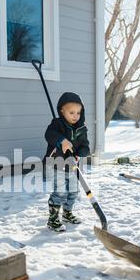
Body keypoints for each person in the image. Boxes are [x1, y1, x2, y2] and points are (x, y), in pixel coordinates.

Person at [44, 92, 90, 232]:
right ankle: (53, 220)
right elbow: (49, 135)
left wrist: (79, 153)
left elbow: (85, 146)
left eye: (78, 112)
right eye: (71, 112)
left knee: (73, 191)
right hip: (56, 164)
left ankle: (67, 214)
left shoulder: (82, 129)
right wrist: (62, 141)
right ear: (62, 111)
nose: (75, 116)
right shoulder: (56, 125)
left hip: (72, 165)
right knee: (60, 192)